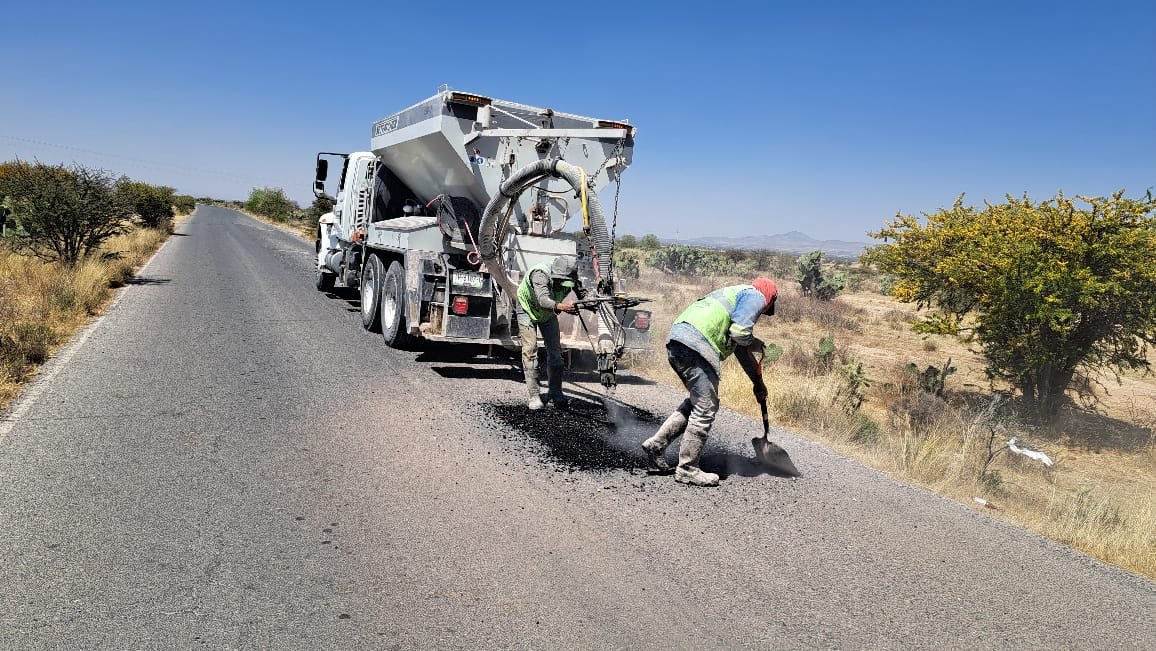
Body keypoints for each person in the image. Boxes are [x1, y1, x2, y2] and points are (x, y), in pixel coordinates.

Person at [641, 278, 779, 486]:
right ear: (769, 299)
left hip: (679, 340)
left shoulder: (735, 295)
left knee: (699, 401)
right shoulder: (756, 295)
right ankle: (687, 469)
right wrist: (754, 341)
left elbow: (741, 350)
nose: (762, 313)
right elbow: (741, 334)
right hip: (697, 343)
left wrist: (757, 383)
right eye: (765, 310)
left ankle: (657, 445)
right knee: (705, 407)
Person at [517, 256, 582, 410]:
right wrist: (562, 307)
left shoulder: (571, 277)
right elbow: (543, 300)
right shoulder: (540, 274)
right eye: (559, 281)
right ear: (555, 274)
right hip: (528, 309)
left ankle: (555, 392)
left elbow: (583, 295)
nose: (562, 285)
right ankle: (534, 396)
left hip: (548, 314)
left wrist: (588, 303)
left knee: (556, 353)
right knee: (530, 352)